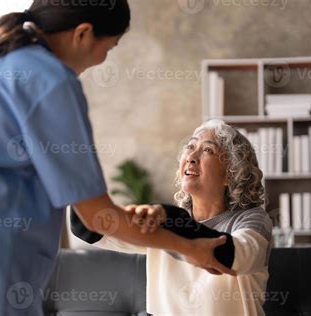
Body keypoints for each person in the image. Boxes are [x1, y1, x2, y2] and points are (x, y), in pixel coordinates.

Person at [0, 2, 234, 315]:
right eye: (108, 48)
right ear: (83, 33)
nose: (102, 60)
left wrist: (111, 214)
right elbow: (98, 217)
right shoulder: (48, 78)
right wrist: (190, 249)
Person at [72, 119, 273, 316]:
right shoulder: (165, 222)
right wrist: (76, 167)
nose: (192, 156)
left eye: (207, 150)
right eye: (190, 147)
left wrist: (170, 218)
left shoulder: (252, 220)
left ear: (231, 174)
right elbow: (88, 228)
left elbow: (231, 256)